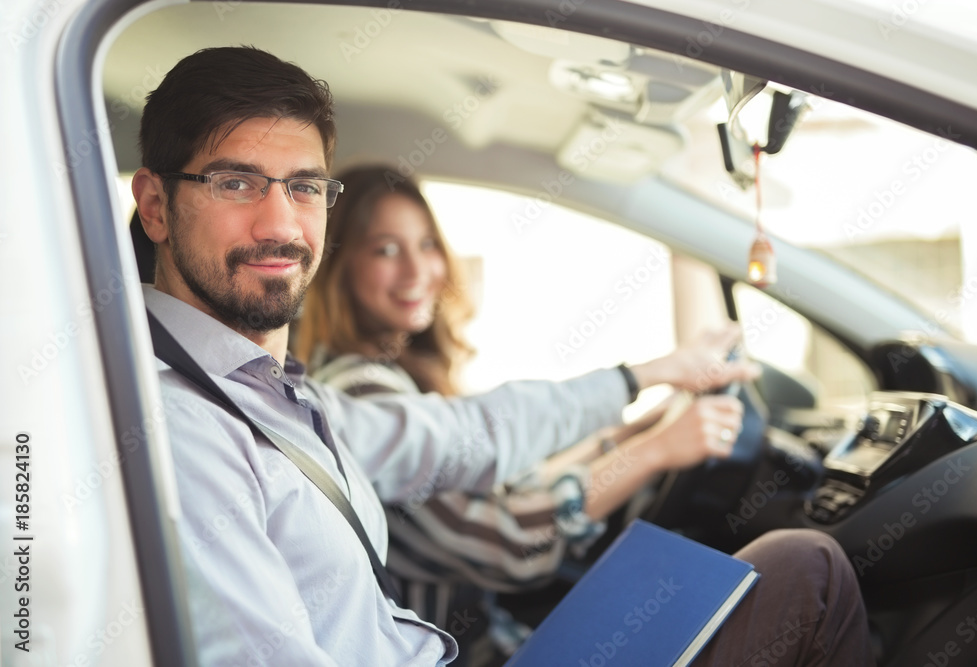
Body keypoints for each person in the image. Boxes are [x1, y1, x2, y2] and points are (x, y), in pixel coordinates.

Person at [131, 45, 875, 666]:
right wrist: (651, 447)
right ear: (157, 206)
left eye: (303, 187)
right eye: (236, 183)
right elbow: (505, 541)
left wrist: (643, 381)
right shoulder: (179, 422)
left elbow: (471, 436)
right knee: (807, 570)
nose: (280, 222)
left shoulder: (275, 393)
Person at [293, 164, 754, 665]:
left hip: (499, 641)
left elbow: (515, 482)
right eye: (386, 249)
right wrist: (655, 450)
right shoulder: (361, 394)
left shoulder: (391, 376)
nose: (418, 270)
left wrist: (635, 432)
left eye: (427, 244)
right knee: (792, 565)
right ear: (336, 266)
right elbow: (512, 545)